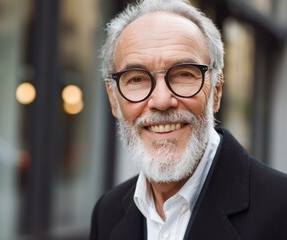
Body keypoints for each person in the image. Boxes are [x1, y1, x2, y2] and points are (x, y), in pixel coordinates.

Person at [89, 0, 287, 239]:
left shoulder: (280, 208)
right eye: (137, 79)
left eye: (184, 74)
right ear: (113, 99)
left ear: (216, 92)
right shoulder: (107, 213)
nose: (161, 101)